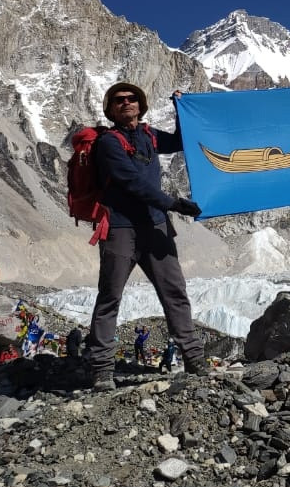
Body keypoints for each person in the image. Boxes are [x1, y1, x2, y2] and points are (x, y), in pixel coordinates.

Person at [85, 82, 206, 390]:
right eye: (119, 100)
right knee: (110, 296)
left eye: (132, 99)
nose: (126, 103)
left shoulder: (150, 135)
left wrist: (180, 107)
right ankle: (101, 370)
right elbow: (131, 181)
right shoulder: (109, 143)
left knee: (175, 293)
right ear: (110, 109)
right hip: (121, 228)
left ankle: (195, 361)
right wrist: (174, 204)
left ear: (140, 105)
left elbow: (181, 140)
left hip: (155, 226)